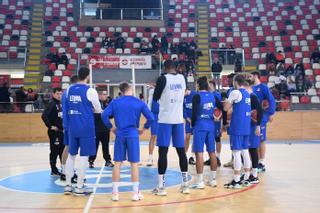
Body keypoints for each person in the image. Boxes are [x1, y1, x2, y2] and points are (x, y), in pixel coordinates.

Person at [101, 82, 154, 201]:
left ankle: (115, 194)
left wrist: (111, 127)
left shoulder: (115, 102)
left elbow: (104, 115)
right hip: (133, 135)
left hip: (120, 134)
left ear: (121, 91)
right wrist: (144, 129)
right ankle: (135, 193)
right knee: (134, 164)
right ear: (131, 89)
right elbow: (151, 118)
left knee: (118, 163)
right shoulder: (138, 102)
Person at [152, 60, 189, 196]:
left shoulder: (162, 79)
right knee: (181, 152)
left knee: (163, 152)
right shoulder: (182, 78)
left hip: (165, 120)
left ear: (165, 68)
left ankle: (161, 188)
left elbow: (156, 97)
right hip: (179, 120)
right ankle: (185, 185)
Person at [63, 67, 102, 196]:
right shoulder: (90, 90)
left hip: (72, 126)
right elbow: (98, 109)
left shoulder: (68, 90)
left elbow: (65, 108)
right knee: (84, 156)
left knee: (71, 155)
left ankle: (68, 185)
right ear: (88, 76)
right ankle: (79, 186)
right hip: (86, 126)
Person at [223, 74, 252, 189]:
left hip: (237, 126)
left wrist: (226, 99)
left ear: (236, 82)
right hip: (246, 126)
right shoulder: (247, 93)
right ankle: (246, 178)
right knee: (245, 151)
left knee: (236, 153)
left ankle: (236, 180)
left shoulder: (235, 92)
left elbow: (226, 108)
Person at [190, 77, 218, 189]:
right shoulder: (213, 96)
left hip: (200, 126)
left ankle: (200, 181)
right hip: (210, 126)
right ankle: (213, 180)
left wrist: (192, 124)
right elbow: (220, 108)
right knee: (212, 152)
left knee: (199, 153)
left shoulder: (197, 96)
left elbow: (194, 113)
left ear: (198, 85)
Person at [251, 71, 276, 172]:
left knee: (261, 139)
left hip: (262, 116)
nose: (249, 78)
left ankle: (261, 162)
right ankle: (255, 161)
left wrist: (271, 113)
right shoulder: (251, 88)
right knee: (254, 140)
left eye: (250, 76)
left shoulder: (263, 87)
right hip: (252, 117)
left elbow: (271, 100)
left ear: (256, 76)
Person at [244, 74, 263, 184]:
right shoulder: (247, 97)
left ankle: (255, 174)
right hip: (247, 126)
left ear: (248, 87)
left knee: (252, 149)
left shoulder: (253, 97)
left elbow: (259, 111)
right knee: (246, 149)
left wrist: (258, 126)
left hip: (253, 127)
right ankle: (248, 172)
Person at [41, 87, 64, 176]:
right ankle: (53, 170)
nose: (59, 95)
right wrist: (50, 126)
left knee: (62, 150)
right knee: (54, 151)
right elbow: (44, 116)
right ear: (53, 94)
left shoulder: (61, 104)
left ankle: (64, 168)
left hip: (61, 132)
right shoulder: (51, 104)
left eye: (60, 94)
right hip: (54, 133)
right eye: (57, 94)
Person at [60, 75, 79, 182]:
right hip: (71, 123)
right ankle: (67, 172)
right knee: (70, 147)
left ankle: (65, 171)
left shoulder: (66, 92)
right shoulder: (71, 92)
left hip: (68, 122)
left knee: (68, 147)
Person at [89, 90, 114, 168]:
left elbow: (111, 116)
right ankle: (91, 161)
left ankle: (108, 161)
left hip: (105, 129)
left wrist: (105, 113)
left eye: (105, 94)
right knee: (94, 146)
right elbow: (90, 115)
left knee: (105, 146)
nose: (104, 96)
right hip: (96, 129)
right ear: (99, 95)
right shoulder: (94, 104)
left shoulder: (108, 104)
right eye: (102, 94)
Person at [204, 80, 224, 167]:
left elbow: (220, 108)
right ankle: (211, 157)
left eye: (210, 85)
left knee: (217, 138)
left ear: (214, 86)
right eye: (208, 85)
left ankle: (218, 158)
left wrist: (219, 117)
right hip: (209, 120)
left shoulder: (217, 95)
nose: (209, 87)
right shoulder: (207, 95)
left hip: (216, 120)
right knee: (210, 139)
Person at [146, 83, 159, 166]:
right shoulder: (152, 91)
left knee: (162, 138)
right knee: (153, 136)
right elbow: (149, 104)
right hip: (154, 115)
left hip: (164, 115)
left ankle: (161, 157)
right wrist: (149, 116)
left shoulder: (166, 91)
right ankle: (150, 158)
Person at [183, 88, 196, 165]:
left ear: (186, 89)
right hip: (188, 120)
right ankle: (184, 156)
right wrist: (189, 120)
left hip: (196, 119)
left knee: (195, 138)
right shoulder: (183, 98)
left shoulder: (195, 94)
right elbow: (183, 110)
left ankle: (192, 156)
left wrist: (194, 120)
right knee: (187, 137)